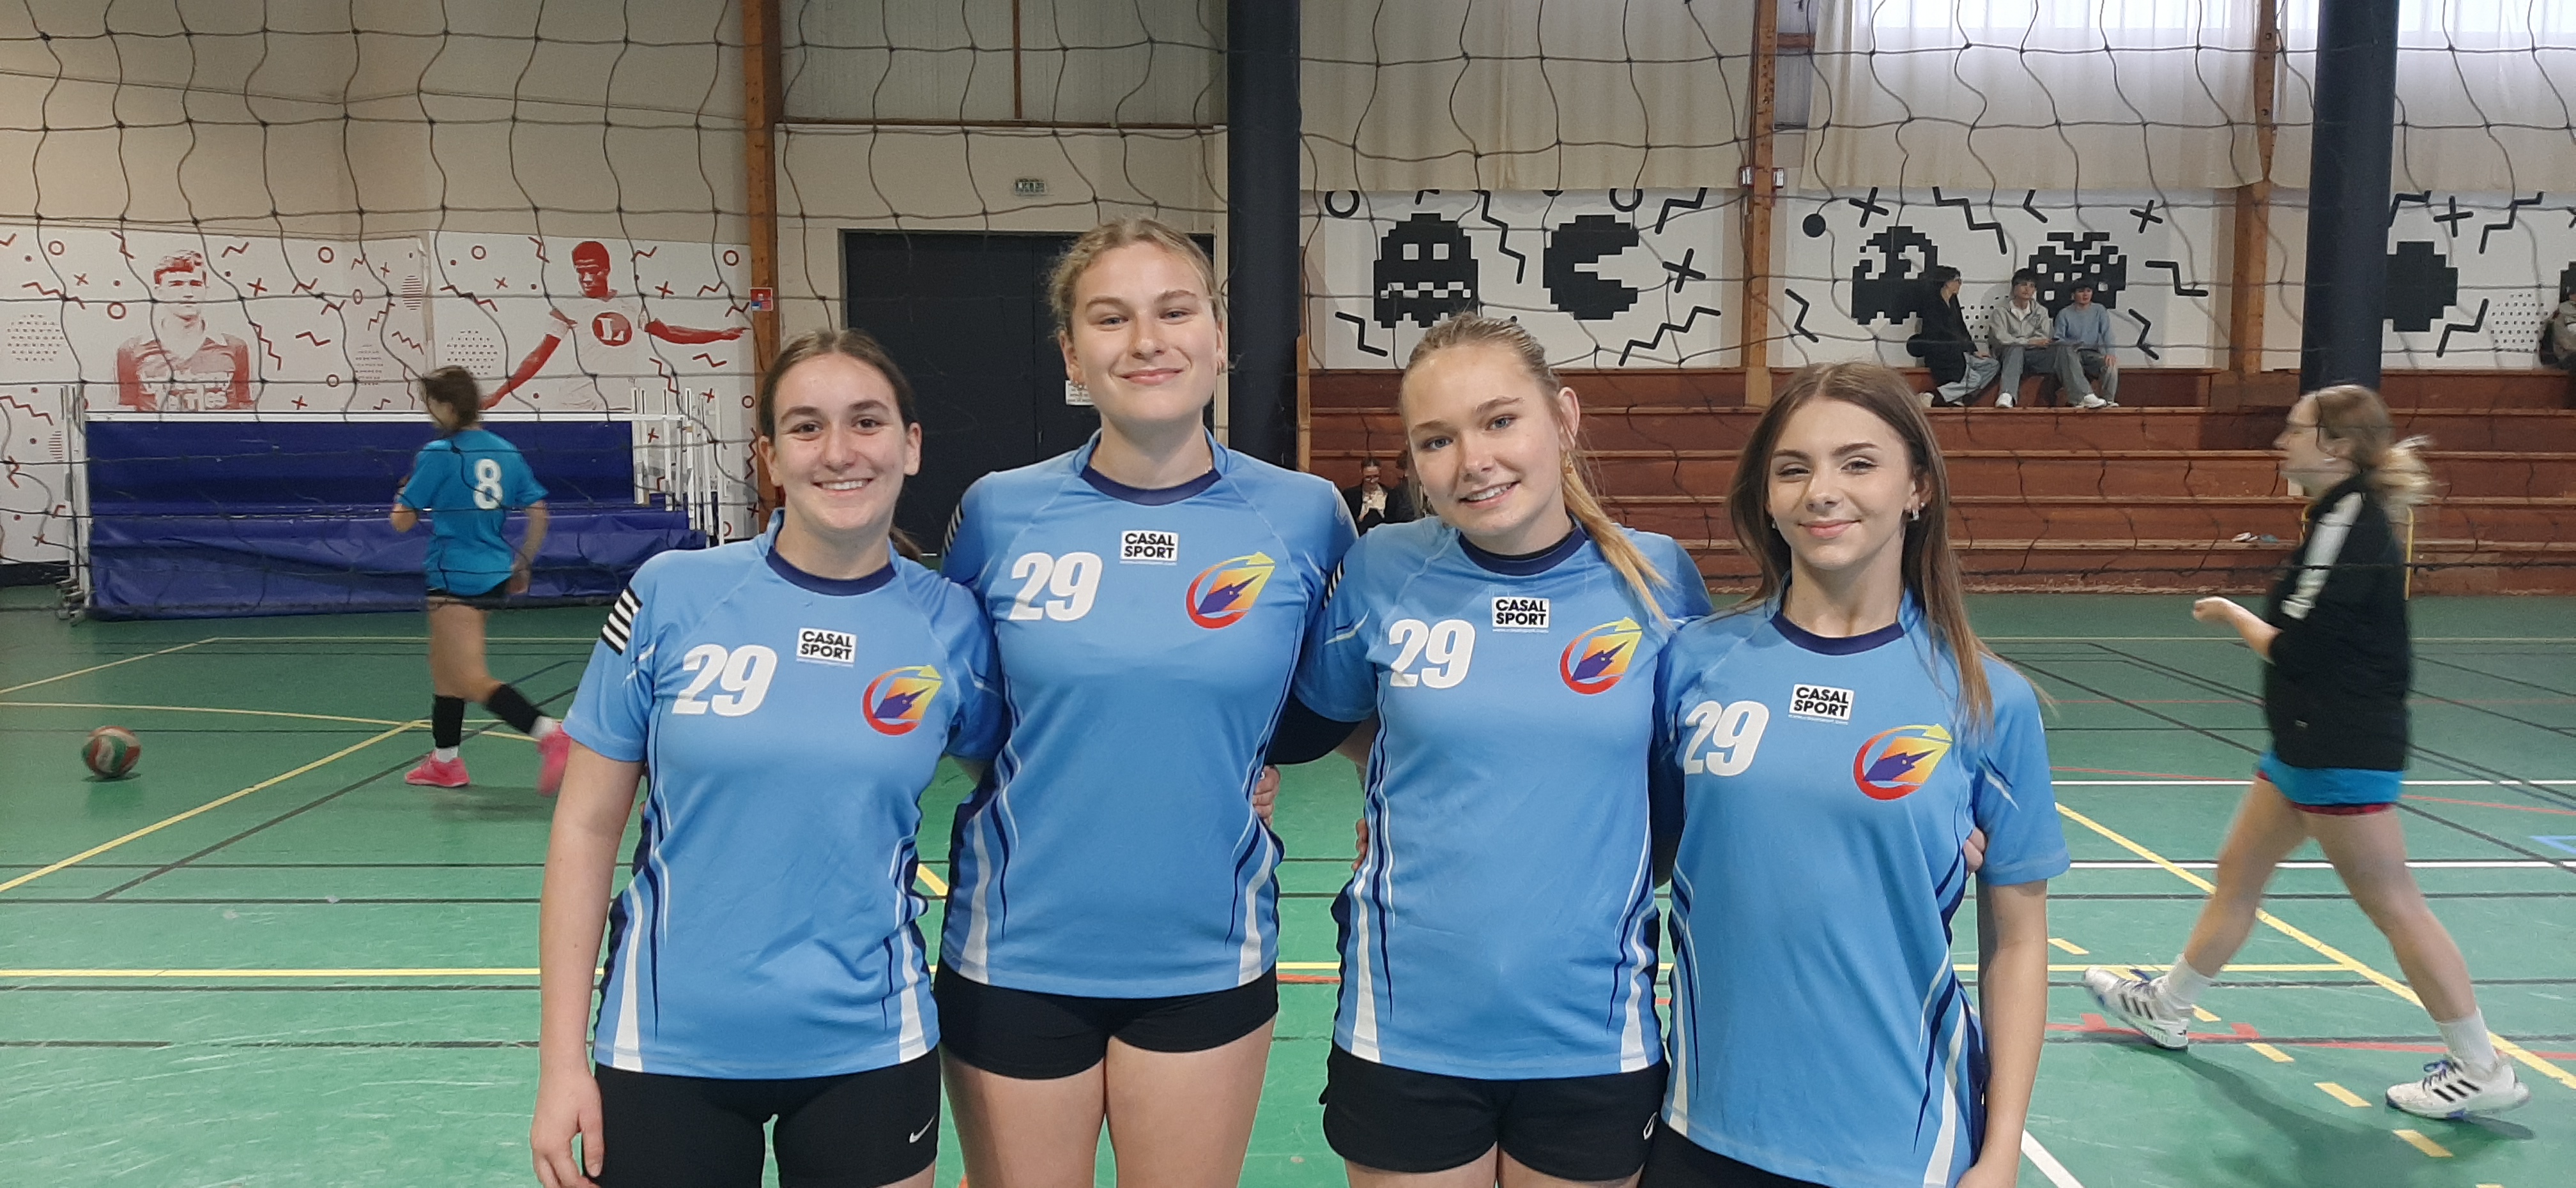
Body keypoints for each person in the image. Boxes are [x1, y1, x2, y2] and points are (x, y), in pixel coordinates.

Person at [530, 328, 1006, 1188]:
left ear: (910, 446)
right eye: (806, 427)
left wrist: (1241, 782)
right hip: (666, 1045)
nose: (839, 452)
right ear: (771, 457)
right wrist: (561, 1064)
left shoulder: (952, 625)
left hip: (871, 1042)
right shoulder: (673, 595)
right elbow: (586, 828)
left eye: (866, 422)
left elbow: (1021, 789)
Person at [936, 217, 1356, 1188]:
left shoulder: (1305, 517)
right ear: (1071, 354)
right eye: (1110, 318)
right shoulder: (999, 511)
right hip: (1016, 951)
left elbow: (1352, 699)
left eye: (1174, 311)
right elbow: (963, 713)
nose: (1146, 341)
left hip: (1205, 951)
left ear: (1218, 336)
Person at [1294, 314, 1712, 1188]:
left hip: (1593, 1030)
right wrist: (1419, 793)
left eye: (1499, 421)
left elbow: (1699, 779)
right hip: (1406, 1026)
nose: (1473, 460)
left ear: (1563, 417)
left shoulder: (1658, 578)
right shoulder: (1383, 568)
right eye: (1436, 440)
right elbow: (1330, 722)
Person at [1646, 362, 2065, 1188]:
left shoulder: (1985, 699)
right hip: (1702, 1124)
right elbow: (1637, 858)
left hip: (1898, 1146)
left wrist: (2003, 1148)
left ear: (1918, 489)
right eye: (1793, 469)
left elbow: (2018, 941)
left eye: (1859, 463)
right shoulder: (1694, 663)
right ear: (1767, 498)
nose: (1822, 492)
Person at [2085, 385, 2529, 1122]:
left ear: (2338, 447)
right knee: (2238, 873)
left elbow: (2298, 649)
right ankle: (2169, 1006)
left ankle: (2481, 1066)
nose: (2280, 442)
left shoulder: (2348, 523)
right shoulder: (2335, 513)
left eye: (2295, 431)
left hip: (2339, 749)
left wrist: (2233, 616)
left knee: (2395, 905)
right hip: (2303, 743)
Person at [392, 367, 569, 793]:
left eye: (431, 404)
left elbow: (401, 521)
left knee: (470, 677)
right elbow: (539, 512)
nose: (428, 413)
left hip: (454, 576)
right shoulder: (504, 450)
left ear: (447, 407)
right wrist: (523, 563)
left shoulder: (440, 453)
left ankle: (551, 734)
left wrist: (406, 494)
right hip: (492, 572)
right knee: (444, 667)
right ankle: (445, 762)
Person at [489, 240, 746, 411]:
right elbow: (539, 356)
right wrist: (500, 394)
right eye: (580, 271)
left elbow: (669, 333)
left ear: (606, 269)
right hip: (578, 400)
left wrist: (719, 335)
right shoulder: (567, 307)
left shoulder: (632, 304)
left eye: (592, 270)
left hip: (619, 400)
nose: (586, 278)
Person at [116, 250, 255, 411]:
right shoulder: (132, 350)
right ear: (158, 291)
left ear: (206, 289)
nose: (188, 293)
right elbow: (128, 411)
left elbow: (245, 407)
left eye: (195, 284)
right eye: (176, 285)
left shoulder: (234, 347)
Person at [1988, 269, 2090, 409]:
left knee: (2064, 348)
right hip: (2008, 357)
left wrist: (2025, 342)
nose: (2027, 289)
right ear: (2014, 288)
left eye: (2031, 286)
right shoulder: (2000, 312)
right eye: (2023, 285)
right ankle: (2007, 395)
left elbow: (2043, 337)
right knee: (2015, 348)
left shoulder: (2041, 311)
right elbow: (2002, 339)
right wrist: (2028, 342)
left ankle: (2082, 397)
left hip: (2035, 356)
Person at [1907, 266, 1998, 408]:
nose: (1960, 284)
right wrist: (1962, 347)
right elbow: (1940, 334)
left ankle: (1957, 396)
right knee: (1974, 380)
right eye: (1957, 280)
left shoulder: (1953, 301)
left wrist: (1973, 350)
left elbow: (1961, 327)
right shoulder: (1932, 304)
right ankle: (1934, 395)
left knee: (1992, 365)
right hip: (1944, 355)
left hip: (1960, 352)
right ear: (1947, 282)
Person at [2050, 283, 2118, 409]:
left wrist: (2111, 353)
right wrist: (2071, 344)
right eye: (2081, 291)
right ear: (2073, 295)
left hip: (2092, 353)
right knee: (2069, 358)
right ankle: (2082, 398)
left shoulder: (2099, 310)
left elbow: (2107, 333)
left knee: (2110, 365)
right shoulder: (2064, 313)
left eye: (2088, 291)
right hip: (2072, 353)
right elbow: (2058, 339)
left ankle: (2108, 401)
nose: (2086, 294)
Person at [1341, 458, 1418, 534]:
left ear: (1380, 473)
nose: (1372, 481)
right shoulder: (1350, 495)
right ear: (1362, 472)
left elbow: (1394, 520)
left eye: (1376, 477)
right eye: (1368, 477)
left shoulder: (1391, 494)